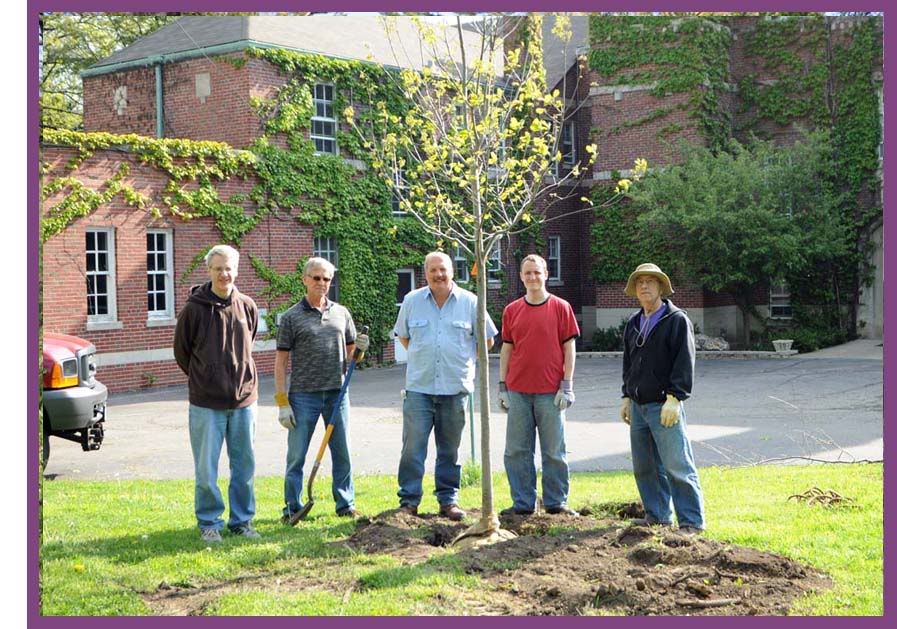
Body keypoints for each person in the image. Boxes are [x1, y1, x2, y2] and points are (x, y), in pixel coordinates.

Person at [393, 251, 497, 521]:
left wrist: (463, 361)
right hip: (419, 388)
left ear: (452, 271)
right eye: (433, 270)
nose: (438, 275)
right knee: (412, 448)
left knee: (449, 450)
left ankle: (448, 501)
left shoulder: (471, 302)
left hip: (455, 389)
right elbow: (404, 337)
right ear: (425, 273)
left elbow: (487, 342)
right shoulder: (412, 301)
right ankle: (409, 502)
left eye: (443, 270)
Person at [174, 244, 261, 543]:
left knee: (244, 467)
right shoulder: (194, 309)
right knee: (206, 469)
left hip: (244, 401)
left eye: (229, 268)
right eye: (218, 268)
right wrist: (207, 377)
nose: (224, 274)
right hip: (205, 404)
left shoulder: (247, 305)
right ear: (208, 271)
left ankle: (242, 522)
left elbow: (249, 340)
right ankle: (209, 523)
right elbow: (182, 353)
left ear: (236, 270)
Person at [274, 257, 369, 525]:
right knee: (296, 456)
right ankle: (292, 508)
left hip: (338, 394)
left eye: (326, 278)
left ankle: (345, 504)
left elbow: (353, 357)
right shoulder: (292, 317)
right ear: (305, 279)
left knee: (342, 452)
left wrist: (361, 349)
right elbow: (280, 362)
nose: (322, 283)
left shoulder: (342, 313)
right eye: (316, 278)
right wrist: (282, 402)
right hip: (303, 396)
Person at [619, 262, 705, 535]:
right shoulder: (634, 323)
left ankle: (691, 522)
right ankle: (657, 515)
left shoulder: (676, 320)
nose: (644, 286)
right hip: (638, 405)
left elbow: (684, 362)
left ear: (661, 287)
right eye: (640, 282)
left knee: (677, 465)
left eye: (650, 281)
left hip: (663, 404)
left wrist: (675, 398)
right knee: (645, 467)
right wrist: (625, 395)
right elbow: (629, 362)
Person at [498, 254, 579, 516]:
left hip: (551, 392)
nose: (533, 277)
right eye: (528, 273)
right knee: (516, 451)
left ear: (546, 274)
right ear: (521, 277)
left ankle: (556, 502)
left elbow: (569, 348)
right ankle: (523, 503)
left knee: (554, 451)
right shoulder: (512, 310)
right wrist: (502, 386)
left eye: (537, 272)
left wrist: (567, 384)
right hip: (518, 391)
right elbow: (507, 350)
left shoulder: (560, 307)